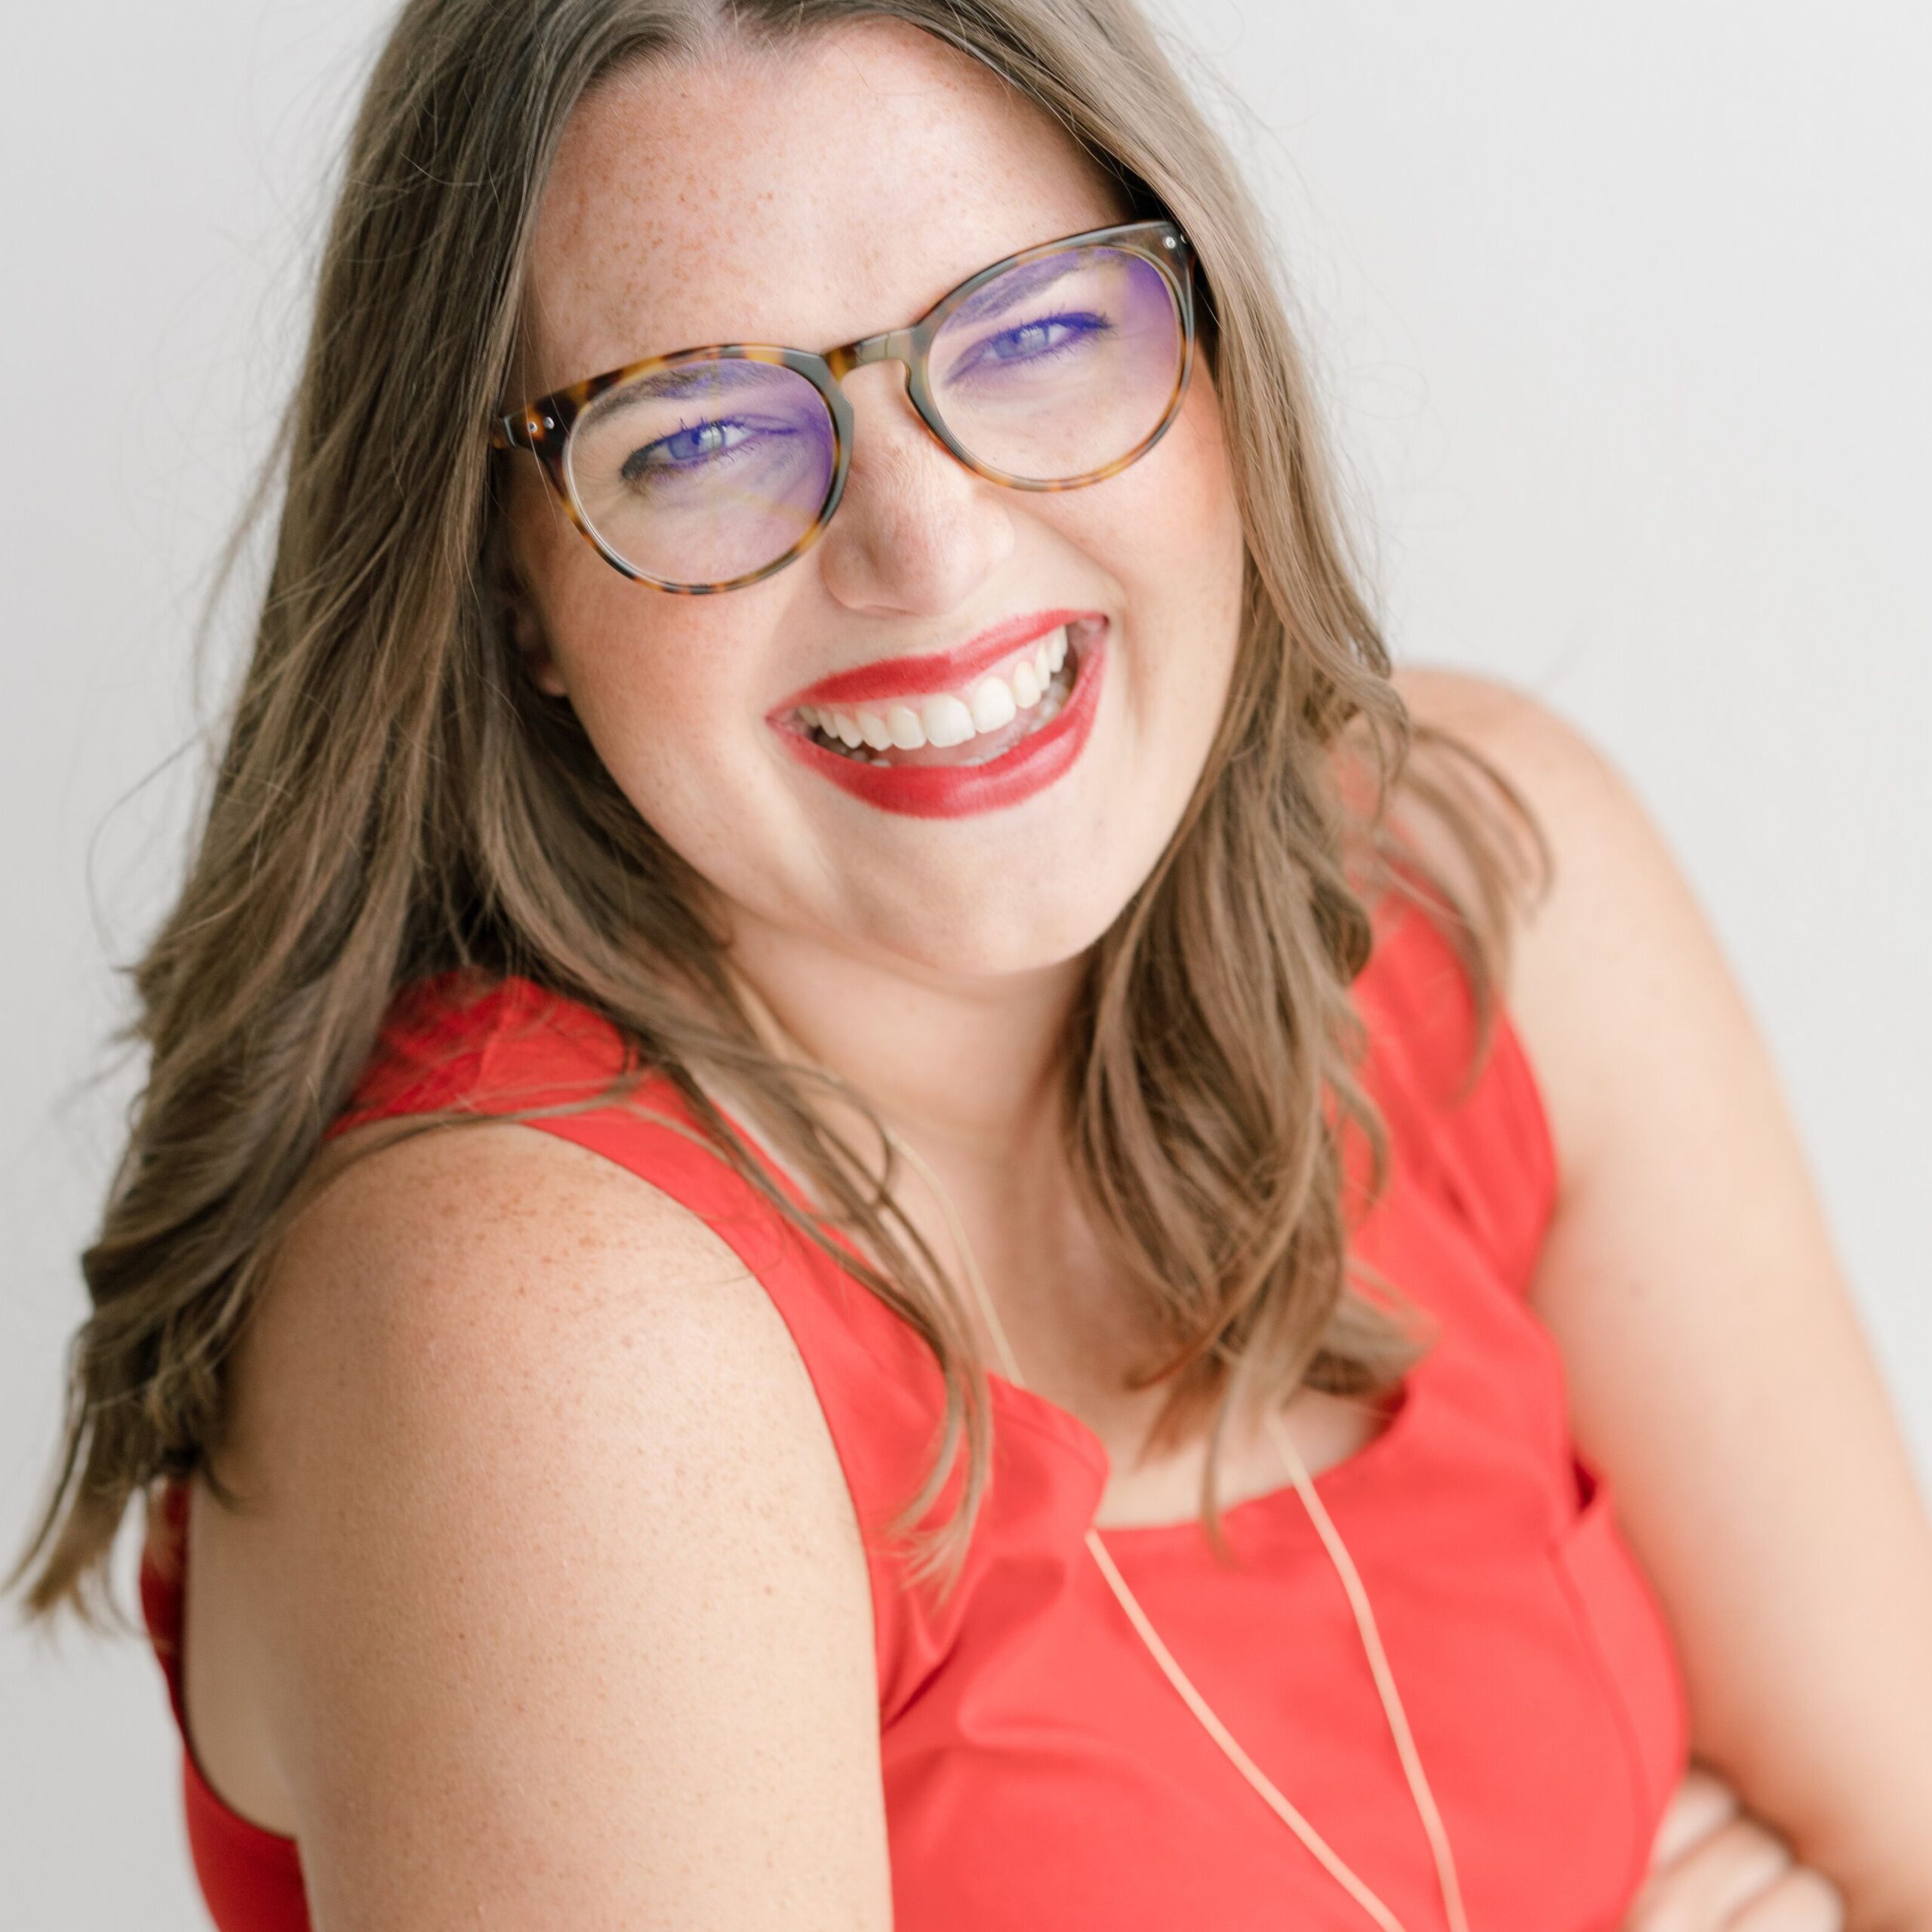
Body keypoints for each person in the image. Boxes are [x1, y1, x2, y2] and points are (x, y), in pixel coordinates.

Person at [9, 2, 1929, 1927]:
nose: (924, 551)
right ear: (506, 576)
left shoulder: (1480, 882)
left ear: (1210, 357)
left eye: (1027, 334)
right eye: (698, 435)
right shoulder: (550, 1326)